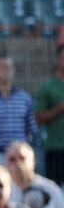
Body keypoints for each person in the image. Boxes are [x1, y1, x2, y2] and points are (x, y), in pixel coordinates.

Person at [35, 44, 64, 184]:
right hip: (56, 148)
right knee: (56, 192)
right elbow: (38, 118)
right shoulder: (48, 86)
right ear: (58, 59)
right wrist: (59, 107)